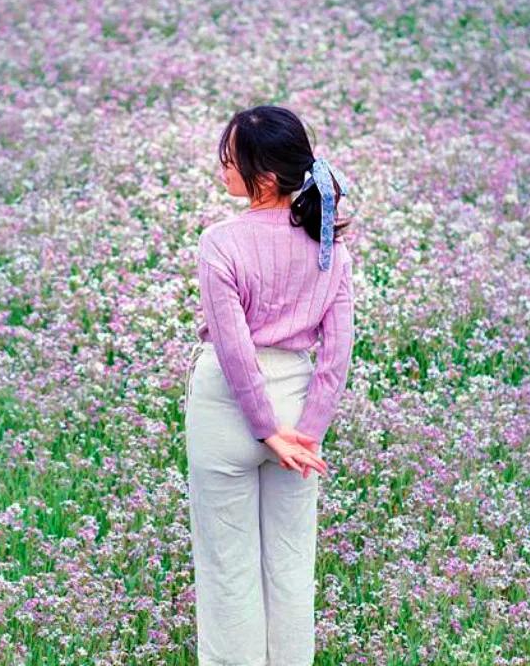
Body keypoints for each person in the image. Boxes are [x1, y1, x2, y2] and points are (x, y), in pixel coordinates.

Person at [186, 105, 356, 665]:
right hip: (298, 405)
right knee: (289, 564)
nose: (222, 169)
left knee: (227, 568)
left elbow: (234, 351)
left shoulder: (221, 242)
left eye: (229, 160)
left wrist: (265, 431)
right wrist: (306, 432)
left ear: (263, 176)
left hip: (229, 411)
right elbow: (337, 354)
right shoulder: (331, 248)